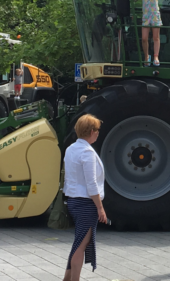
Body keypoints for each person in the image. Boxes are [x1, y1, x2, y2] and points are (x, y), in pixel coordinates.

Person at [63, 114, 106, 281]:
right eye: (97, 131)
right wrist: (100, 207)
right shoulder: (87, 152)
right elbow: (92, 184)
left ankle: (67, 279)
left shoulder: (71, 148)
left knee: (78, 243)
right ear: (92, 131)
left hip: (73, 200)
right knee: (81, 245)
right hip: (86, 203)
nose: (98, 134)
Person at [132, 0, 165, 66]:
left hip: (155, 16)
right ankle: (146, 56)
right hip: (146, 16)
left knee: (156, 37)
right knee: (144, 38)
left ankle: (155, 56)